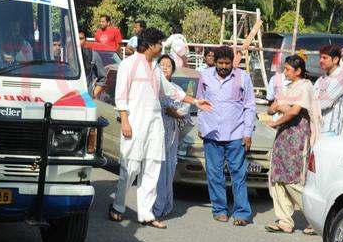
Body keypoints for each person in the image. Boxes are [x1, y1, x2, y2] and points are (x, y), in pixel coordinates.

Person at [108, 28, 211, 228]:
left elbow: (169, 91)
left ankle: (146, 213)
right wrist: (125, 121)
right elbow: (120, 95)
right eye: (159, 43)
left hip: (155, 123)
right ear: (149, 45)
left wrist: (195, 101)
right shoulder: (128, 65)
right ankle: (118, 207)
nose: (161, 47)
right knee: (130, 167)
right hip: (135, 122)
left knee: (153, 167)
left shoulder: (155, 67)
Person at [196, 46, 256, 226]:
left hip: (236, 134)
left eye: (227, 63)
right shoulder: (205, 76)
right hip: (211, 133)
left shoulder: (242, 77)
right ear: (214, 62)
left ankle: (241, 213)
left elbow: (250, 106)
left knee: (239, 174)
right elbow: (200, 101)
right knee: (214, 174)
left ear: (232, 63)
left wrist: (247, 133)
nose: (223, 67)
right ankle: (220, 210)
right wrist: (201, 125)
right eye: (220, 63)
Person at [264, 54, 321, 234]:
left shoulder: (305, 87)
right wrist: (278, 108)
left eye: (288, 69)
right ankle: (284, 220)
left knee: (293, 179)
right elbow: (272, 106)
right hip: (283, 137)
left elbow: (294, 111)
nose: (285, 72)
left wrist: (276, 117)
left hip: (297, 138)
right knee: (277, 178)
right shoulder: (289, 87)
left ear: (298, 71)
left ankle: (315, 217)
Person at [153, 54, 191, 220]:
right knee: (154, 170)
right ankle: (153, 206)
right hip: (153, 134)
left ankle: (164, 206)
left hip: (170, 135)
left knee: (168, 169)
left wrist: (173, 112)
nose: (164, 67)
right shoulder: (153, 87)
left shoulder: (176, 89)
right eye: (161, 64)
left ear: (173, 69)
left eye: (168, 65)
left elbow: (184, 109)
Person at [314, 45, 343, 136]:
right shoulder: (321, 79)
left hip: (330, 130)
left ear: (336, 59)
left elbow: (324, 103)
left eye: (324, 58)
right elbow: (312, 97)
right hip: (318, 128)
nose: (321, 60)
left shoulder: (341, 78)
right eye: (320, 57)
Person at [78, 29, 106, 98]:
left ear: (85, 40)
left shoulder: (93, 55)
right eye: (76, 38)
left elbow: (103, 78)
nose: (78, 41)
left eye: (81, 38)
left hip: (85, 99)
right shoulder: (63, 56)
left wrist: (92, 95)